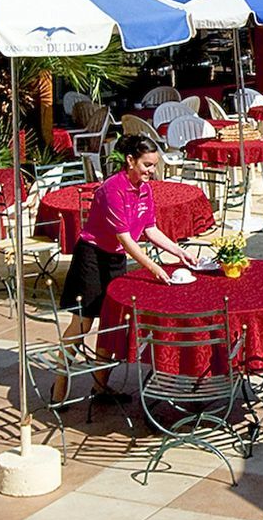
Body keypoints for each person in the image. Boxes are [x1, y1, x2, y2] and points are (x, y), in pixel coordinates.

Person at [54, 133, 200, 404]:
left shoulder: (145, 189)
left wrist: (180, 252)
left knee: (111, 324)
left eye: (154, 166)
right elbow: (126, 238)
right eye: (147, 165)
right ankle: (60, 385)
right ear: (130, 161)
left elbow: (150, 229)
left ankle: (100, 386)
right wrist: (155, 267)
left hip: (116, 259)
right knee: (83, 324)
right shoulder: (112, 189)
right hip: (92, 257)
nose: (151, 171)